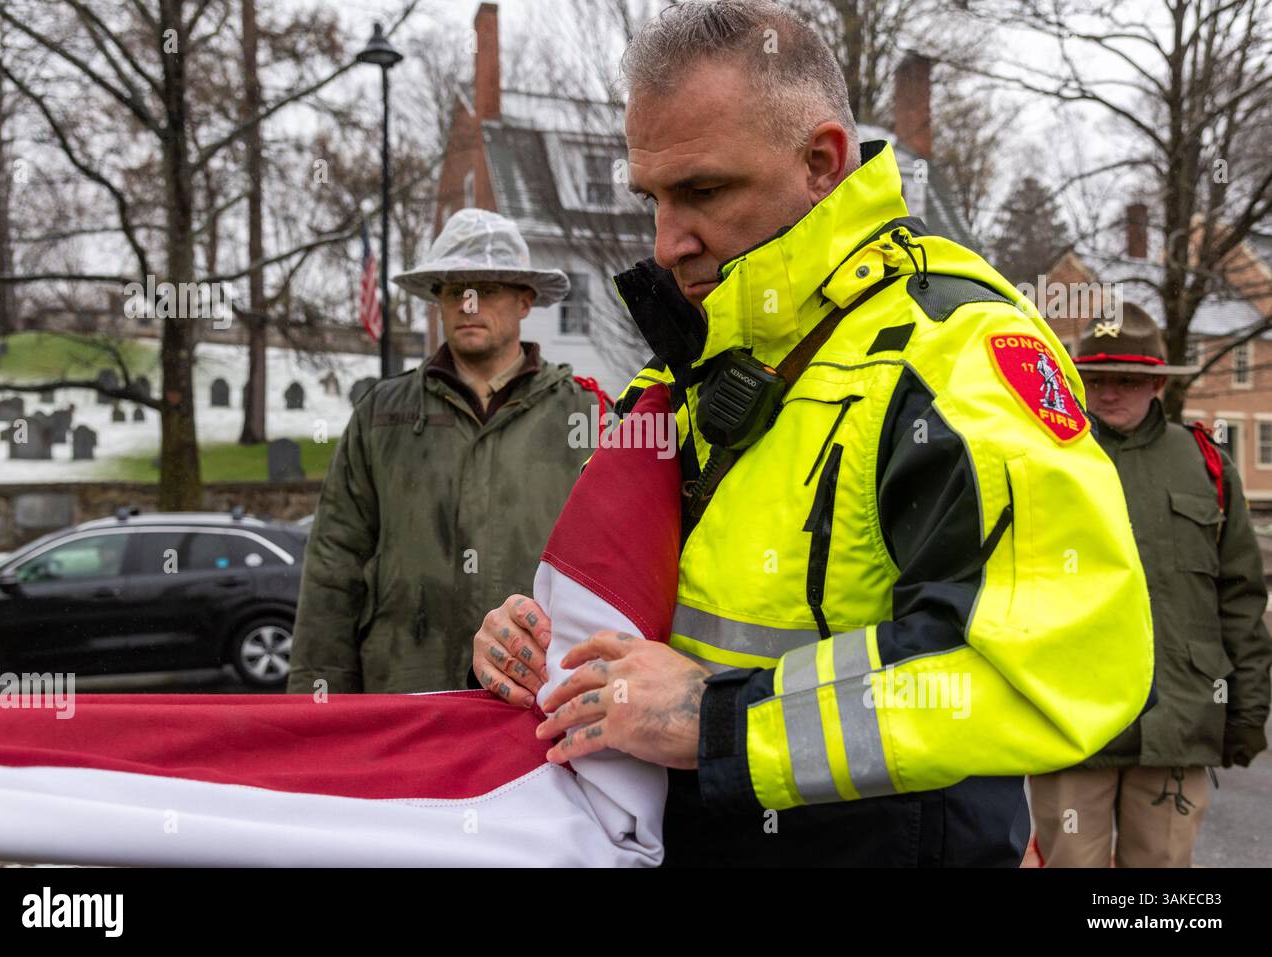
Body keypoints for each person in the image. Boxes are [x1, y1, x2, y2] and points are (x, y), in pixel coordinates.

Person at [472, 0, 1153, 866]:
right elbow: (645, 630)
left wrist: (719, 721)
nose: (666, 239)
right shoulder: (686, 367)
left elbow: (1053, 666)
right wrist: (534, 646)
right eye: (651, 197)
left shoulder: (954, 356)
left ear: (823, 162)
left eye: (703, 191)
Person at [288, 208, 604, 694]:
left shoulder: (585, 415)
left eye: (487, 288)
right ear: (437, 301)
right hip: (403, 691)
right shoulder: (381, 416)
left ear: (525, 301)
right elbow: (334, 565)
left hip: (534, 699)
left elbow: (608, 569)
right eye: (454, 290)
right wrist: (319, 704)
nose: (469, 303)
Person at [1029, 302, 1272, 867]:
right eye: (1096, 379)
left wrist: (1247, 711)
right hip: (1072, 720)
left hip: (1179, 721)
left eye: (1128, 380)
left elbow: (1239, 597)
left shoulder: (1205, 464)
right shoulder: (1045, 461)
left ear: (1156, 383)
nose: (1110, 393)